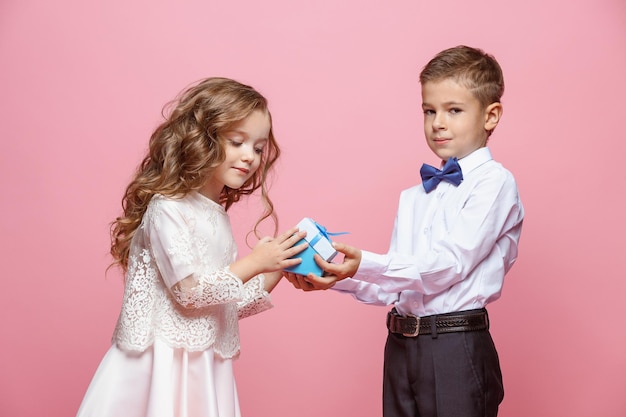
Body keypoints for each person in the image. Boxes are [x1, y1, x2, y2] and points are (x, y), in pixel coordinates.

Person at [286, 46, 524, 417]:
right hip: (399, 345)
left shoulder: (494, 183)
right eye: (429, 111)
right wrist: (334, 273)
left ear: (491, 115)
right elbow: (396, 283)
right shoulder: (414, 196)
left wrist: (363, 261)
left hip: (454, 345)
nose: (438, 123)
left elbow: (450, 265)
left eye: (454, 110)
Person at [77, 77, 307, 417]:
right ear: (203, 139)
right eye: (237, 142)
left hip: (201, 365)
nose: (250, 157)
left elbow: (218, 305)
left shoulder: (215, 215)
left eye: (258, 148)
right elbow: (189, 293)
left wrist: (274, 267)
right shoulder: (167, 208)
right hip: (161, 365)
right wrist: (256, 261)